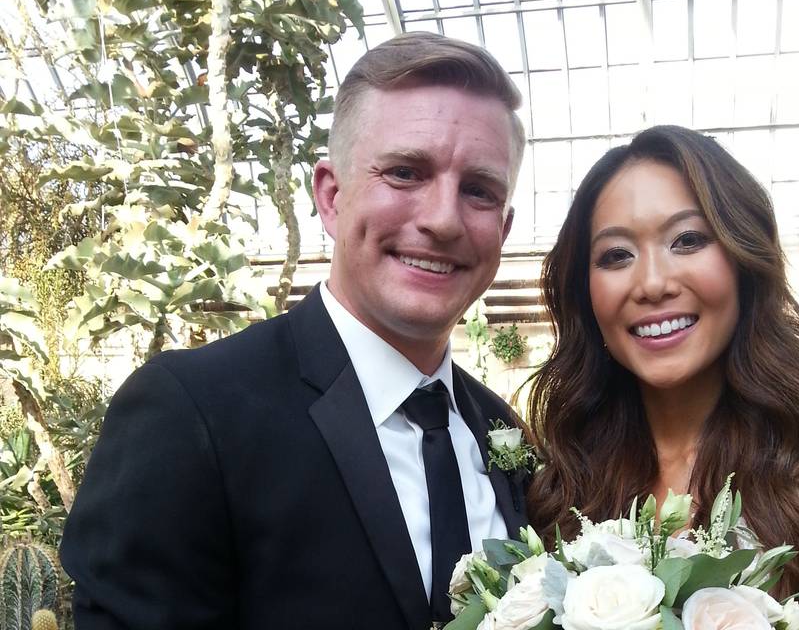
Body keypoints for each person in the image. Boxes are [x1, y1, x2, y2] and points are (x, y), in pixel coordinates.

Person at [61, 32, 527, 629]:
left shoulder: (502, 433)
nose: (442, 219)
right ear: (331, 197)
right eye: (407, 172)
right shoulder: (192, 413)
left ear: (504, 228)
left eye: (479, 191)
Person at [524, 125, 799, 629]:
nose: (652, 283)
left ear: (743, 261)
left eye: (687, 240)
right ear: (586, 293)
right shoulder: (560, 474)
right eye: (616, 255)